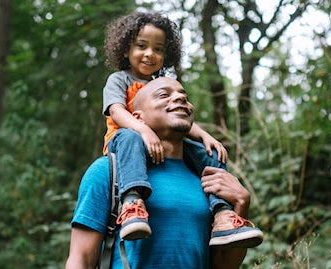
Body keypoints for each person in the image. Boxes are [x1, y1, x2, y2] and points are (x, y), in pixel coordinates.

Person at [101, 11, 263, 248]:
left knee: (209, 154)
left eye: (158, 49)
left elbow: (179, 119)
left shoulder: (163, 83)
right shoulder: (119, 80)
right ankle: (132, 203)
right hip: (127, 144)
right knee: (129, 136)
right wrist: (143, 130)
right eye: (141, 46)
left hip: (164, 145)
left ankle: (222, 215)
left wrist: (206, 136)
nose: (150, 54)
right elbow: (116, 111)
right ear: (125, 50)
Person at [66, 77, 259, 268]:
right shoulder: (107, 171)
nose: (180, 98)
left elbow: (224, 266)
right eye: (164, 95)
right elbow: (81, 259)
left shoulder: (210, 178)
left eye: (184, 96)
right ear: (137, 118)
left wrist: (241, 204)